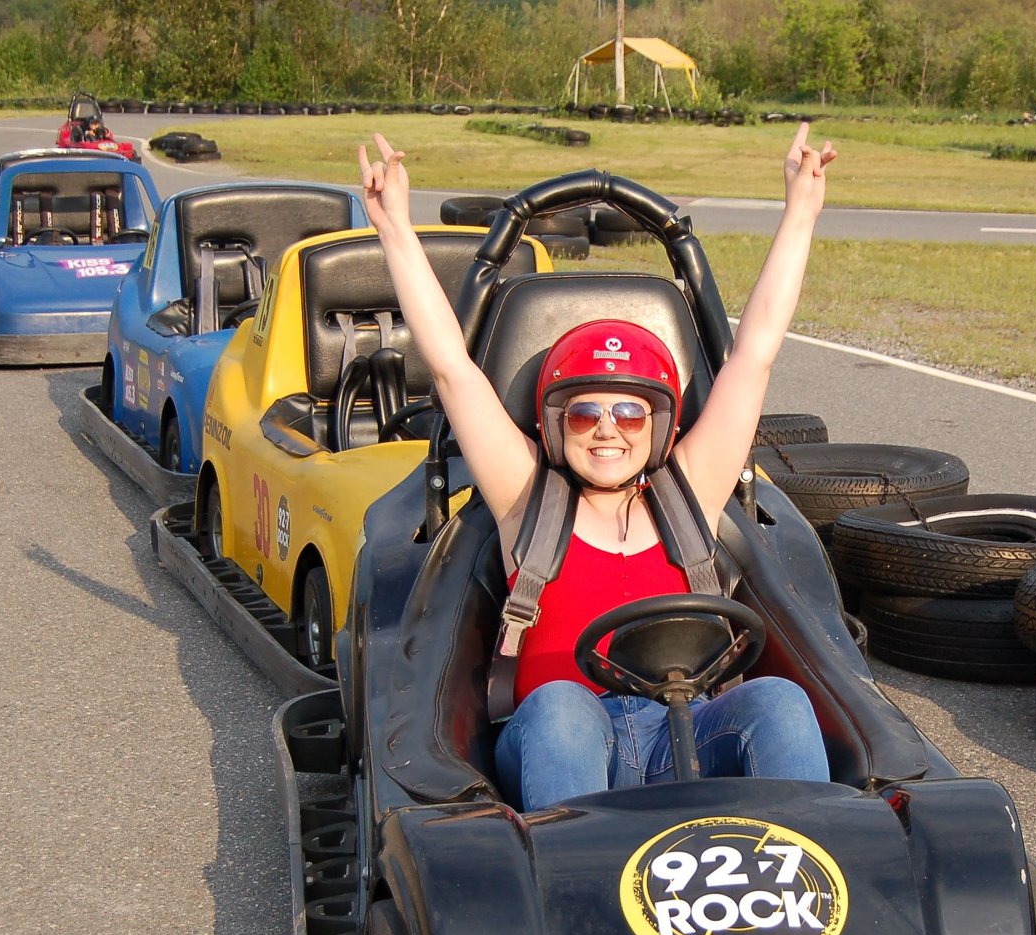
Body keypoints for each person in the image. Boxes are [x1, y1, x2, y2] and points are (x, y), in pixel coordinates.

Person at [358, 125, 838, 812]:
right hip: (563, 740)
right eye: (586, 414)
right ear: (556, 424)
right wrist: (396, 230)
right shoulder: (530, 498)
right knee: (561, 706)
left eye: (630, 414)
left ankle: (803, 868)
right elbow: (453, 371)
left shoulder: (689, 494)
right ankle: (572, 881)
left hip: (685, 728)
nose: (608, 430)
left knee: (780, 701)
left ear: (660, 427)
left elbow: (754, 354)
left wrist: (799, 214)